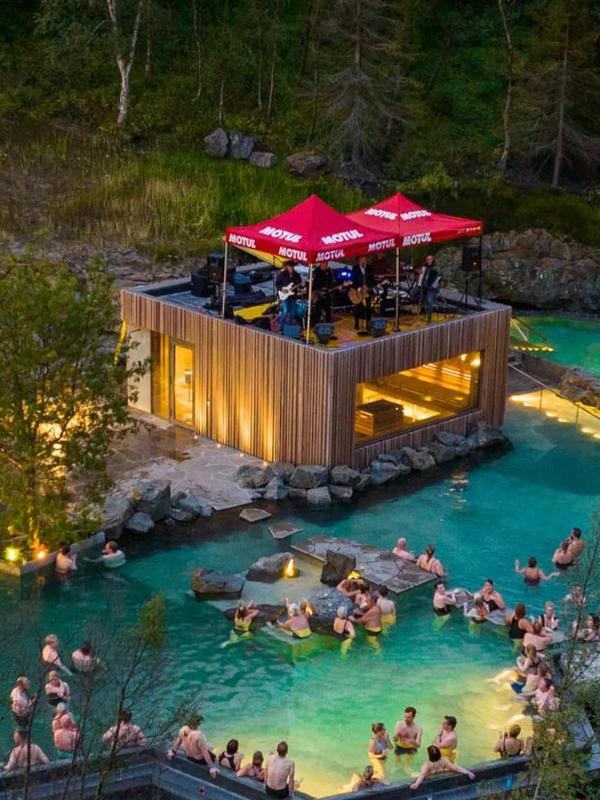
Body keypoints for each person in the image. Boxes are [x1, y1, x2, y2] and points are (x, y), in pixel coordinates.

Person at [410, 745, 475, 791]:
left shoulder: (427, 765)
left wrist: (416, 785)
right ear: (439, 753)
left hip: (430, 781)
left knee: (412, 774)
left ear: (429, 755)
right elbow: (455, 768)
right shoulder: (443, 761)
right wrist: (468, 772)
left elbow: (422, 775)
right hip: (441, 779)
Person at [275, 261, 303, 328]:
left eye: (292, 266)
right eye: (290, 266)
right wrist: (281, 289)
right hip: (284, 295)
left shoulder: (297, 275)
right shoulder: (282, 274)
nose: (291, 268)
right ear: (287, 267)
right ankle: (281, 326)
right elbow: (277, 283)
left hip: (293, 296)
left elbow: (300, 285)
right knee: (285, 311)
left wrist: (303, 285)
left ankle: (289, 327)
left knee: (292, 314)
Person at [351, 256, 375, 332]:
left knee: (368, 307)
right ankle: (357, 323)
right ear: (359, 260)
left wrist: (368, 286)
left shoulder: (369, 268)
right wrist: (359, 288)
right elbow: (353, 280)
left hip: (367, 290)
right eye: (362, 259)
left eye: (365, 259)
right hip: (358, 291)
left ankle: (368, 324)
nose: (364, 260)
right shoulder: (355, 268)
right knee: (358, 307)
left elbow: (372, 280)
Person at [417, 255, 442, 323]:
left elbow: (439, 279)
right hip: (423, 287)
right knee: (412, 293)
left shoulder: (436, 268)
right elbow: (421, 277)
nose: (428, 261)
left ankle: (429, 317)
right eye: (427, 259)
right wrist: (419, 275)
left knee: (430, 301)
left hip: (431, 289)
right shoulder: (424, 267)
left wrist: (436, 284)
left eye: (430, 259)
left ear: (433, 260)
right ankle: (420, 310)